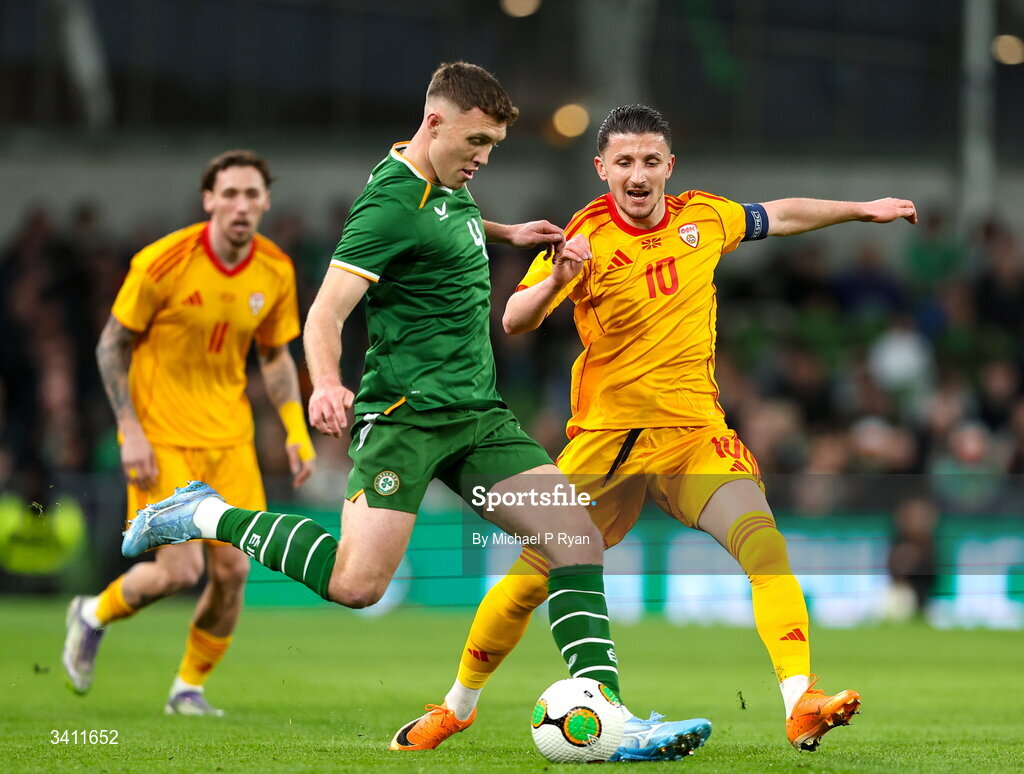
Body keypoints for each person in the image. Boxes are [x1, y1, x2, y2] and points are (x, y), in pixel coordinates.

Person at [120, 65, 710, 762]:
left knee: (574, 537)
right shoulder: (386, 206)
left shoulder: (446, 187)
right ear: (436, 124)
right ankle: (203, 514)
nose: (486, 157)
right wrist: (326, 384)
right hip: (403, 421)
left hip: (478, 419)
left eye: (493, 144)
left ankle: (613, 716)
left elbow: (443, 217)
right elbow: (326, 312)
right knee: (355, 584)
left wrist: (504, 229)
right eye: (479, 141)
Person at [395, 104, 918, 753]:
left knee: (764, 543)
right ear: (602, 168)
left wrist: (861, 209)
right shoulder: (584, 235)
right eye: (624, 162)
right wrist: (558, 276)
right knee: (531, 578)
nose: (637, 175)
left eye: (649, 161)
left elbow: (779, 214)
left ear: (669, 166)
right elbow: (514, 320)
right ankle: (456, 707)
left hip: (693, 435)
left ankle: (799, 700)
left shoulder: (704, 217)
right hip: (607, 443)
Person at [62, 150, 316, 715]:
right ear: (209, 200)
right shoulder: (163, 261)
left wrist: (296, 431)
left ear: (266, 202)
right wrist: (128, 429)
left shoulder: (275, 269)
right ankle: (91, 613)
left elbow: (275, 356)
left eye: (252, 194)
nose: (241, 205)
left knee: (232, 571)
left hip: (230, 440)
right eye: (229, 194)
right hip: (164, 437)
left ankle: (188, 689)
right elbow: (111, 344)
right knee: (180, 571)